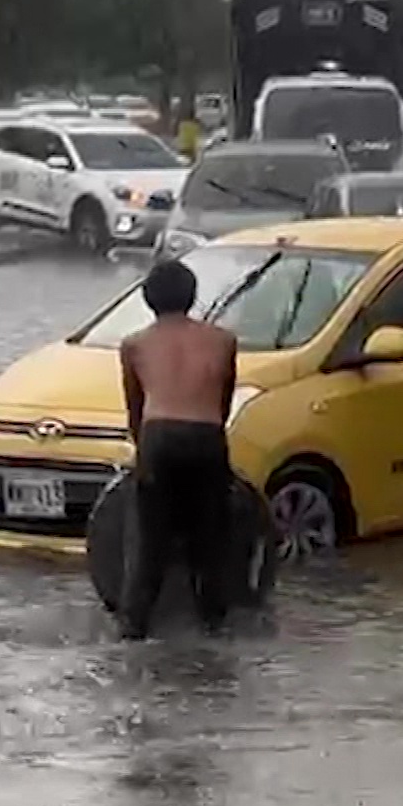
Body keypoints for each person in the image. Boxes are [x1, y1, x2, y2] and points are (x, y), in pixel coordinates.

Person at [115, 260, 239, 639]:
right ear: (191, 295)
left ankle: (133, 631)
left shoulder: (134, 345)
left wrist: (143, 453)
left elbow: (135, 408)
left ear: (148, 298)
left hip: (159, 437)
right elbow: (223, 403)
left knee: (149, 544)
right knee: (210, 540)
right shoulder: (223, 341)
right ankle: (215, 626)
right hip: (207, 436)